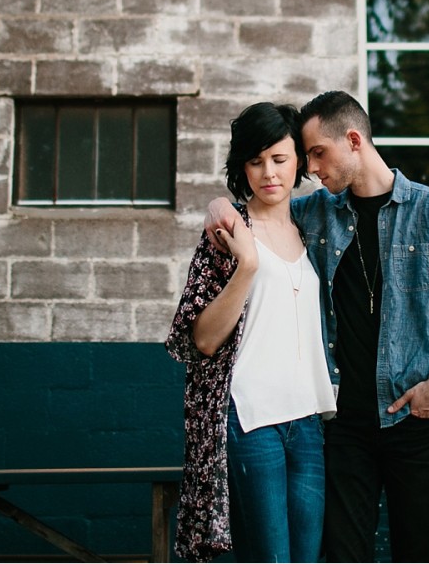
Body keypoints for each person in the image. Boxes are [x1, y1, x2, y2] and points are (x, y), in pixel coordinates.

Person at [207, 90, 429, 562]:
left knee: (415, 554)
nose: (310, 168)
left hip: (414, 420)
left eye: (317, 153)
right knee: (341, 555)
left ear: (354, 140)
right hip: (342, 429)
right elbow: (253, 210)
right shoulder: (312, 214)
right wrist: (218, 204)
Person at [166, 102, 336, 563]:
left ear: (299, 160)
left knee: (305, 558)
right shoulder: (227, 232)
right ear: (242, 165)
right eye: (256, 161)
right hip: (249, 416)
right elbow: (200, 339)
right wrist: (249, 264)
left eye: (279, 159)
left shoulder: (313, 225)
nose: (268, 173)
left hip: (307, 419)